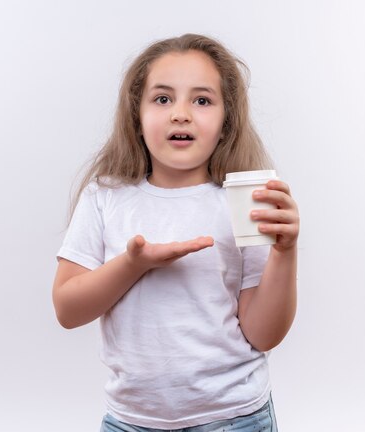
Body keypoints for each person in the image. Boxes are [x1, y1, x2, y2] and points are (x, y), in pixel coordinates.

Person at [52, 34, 299, 431]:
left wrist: (286, 253)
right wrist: (132, 264)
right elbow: (67, 309)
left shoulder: (241, 201)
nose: (180, 114)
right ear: (137, 115)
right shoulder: (105, 196)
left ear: (225, 123)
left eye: (202, 100)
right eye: (163, 99)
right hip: (131, 421)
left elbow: (263, 334)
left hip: (234, 418)